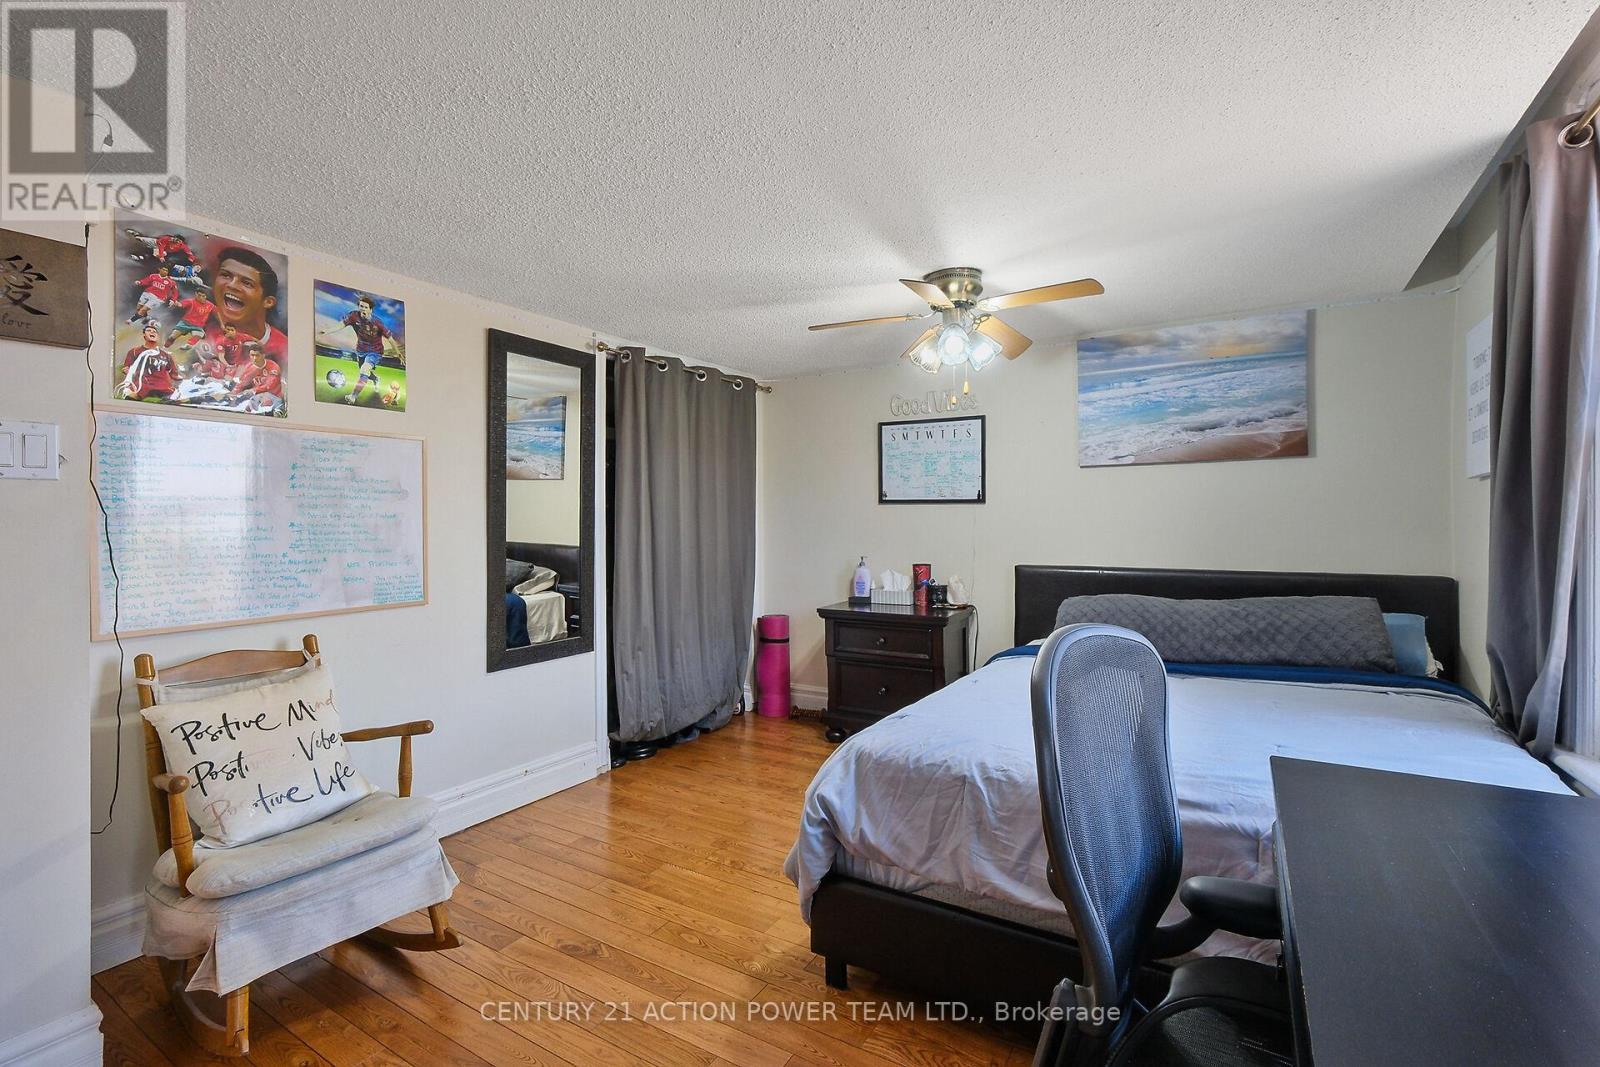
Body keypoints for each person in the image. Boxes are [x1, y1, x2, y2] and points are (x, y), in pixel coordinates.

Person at [203, 246, 287, 363]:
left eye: (247, 283)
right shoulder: (202, 330)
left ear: (268, 302)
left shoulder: (284, 349)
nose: (232, 285)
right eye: (226, 275)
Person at [316, 292, 401, 404]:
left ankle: (353, 396)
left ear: (370, 310)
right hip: (361, 350)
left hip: (375, 352)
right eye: (361, 306)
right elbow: (341, 325)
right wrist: (327, 331)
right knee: (365, 372)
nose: (363, 309)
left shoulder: (377, 323)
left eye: (365, 307)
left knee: (364, 369)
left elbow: (390, 338)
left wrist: (398, 353)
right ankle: (375, 379)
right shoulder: (353, 316)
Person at [118, 323, 178, 400]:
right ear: (144, 335)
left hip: (164, 389)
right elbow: (127, 368)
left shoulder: (166, 355)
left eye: (154, 331)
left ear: (158, 336)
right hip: (142, 387)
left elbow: (174, 375)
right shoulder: (134, 351)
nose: (152, 332)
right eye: (149, 330)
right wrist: (128, 372)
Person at [229, 343, 283, 411]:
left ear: (263, 355)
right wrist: (233, 394)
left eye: (257, 355)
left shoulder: (273, 367)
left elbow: (270, 385)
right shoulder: (249, 367)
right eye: (252, 355)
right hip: (257, 396)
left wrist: (253, 390)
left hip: (274, 396)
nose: (254, 358)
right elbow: (241, 383)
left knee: (258, 401)